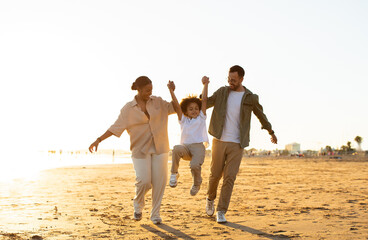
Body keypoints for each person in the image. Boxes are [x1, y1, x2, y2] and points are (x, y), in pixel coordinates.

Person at [88, 76, 175, 225]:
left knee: (160, 182)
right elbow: (115, 127)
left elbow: (176, 107)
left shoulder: (159, 102)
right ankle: (138, 204)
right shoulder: (128, 109)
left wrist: (172, 91)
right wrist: (98, 140)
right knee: (144, 181)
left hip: (160, 147)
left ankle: (155, 214)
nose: (150, 93)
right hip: (140, 149)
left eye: (151, 90)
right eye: (147, 90)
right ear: (139, 90)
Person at [204, 65, 277, 223]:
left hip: (237, 143)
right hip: (219, 140)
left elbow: (261, 115)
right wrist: (204, 88)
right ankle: (210, 198)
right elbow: (206, 103)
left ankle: (221, 211)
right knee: (215, 175)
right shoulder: (222, 92)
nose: (230, 82)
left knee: (229, 177)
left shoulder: (250, 97)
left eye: (234, 80)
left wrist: (271, 131)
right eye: (229, 79)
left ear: (241, 79)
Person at [167, 77, 209, 196]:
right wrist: (171, 91)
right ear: (186, 110)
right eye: (191, 109)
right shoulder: (183, 120)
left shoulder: (201, 117)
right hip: (185, 148)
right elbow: (176, 105)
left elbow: (204, 100)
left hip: (198, 148)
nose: (194, 111)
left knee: (194, 165)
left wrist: (205, 84)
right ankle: (174, 173)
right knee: (176, 148)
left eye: (196, 108)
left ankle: (197, 183)